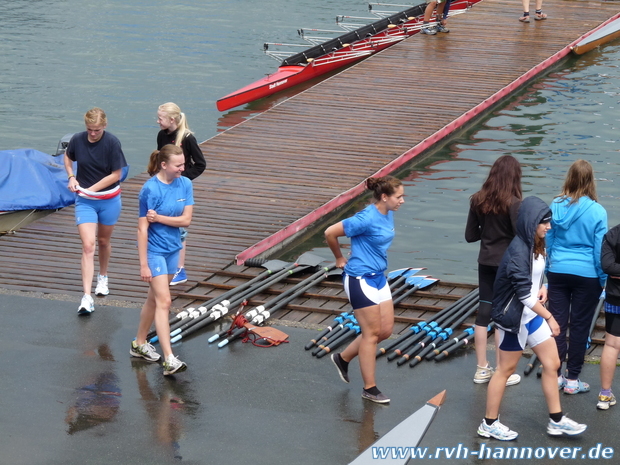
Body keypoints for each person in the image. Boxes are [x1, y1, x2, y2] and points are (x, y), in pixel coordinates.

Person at [477, 196, 587, 440]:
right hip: (513, 319)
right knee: (504, 371)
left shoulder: (536, 243)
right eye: (544, 223)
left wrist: (544, 285)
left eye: (549, 222)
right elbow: (524, 295)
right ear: (530, 222)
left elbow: (534, 279)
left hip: (530, 316)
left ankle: (556, 420)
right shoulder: (518, 250)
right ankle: (488, 424)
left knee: (552, 363)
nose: (549, 227)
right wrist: (551, 318)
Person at [325, 176, 405, 404]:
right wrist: (339, 257)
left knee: (385, 331)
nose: (402, 201)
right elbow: (330, 232)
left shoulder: (388, 213)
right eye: (399, 197)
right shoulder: (365, 218)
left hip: (379, 276)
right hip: (360, 279)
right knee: (371, 334)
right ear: (384, 197)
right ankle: (370, 388)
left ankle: (343, 358)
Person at [131, 144, 193, 376]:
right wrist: (143, 264)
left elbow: (186, 220)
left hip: (173, 249)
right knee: (164, 301)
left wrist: (160, 217)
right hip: (154, 252)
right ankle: (169, 359)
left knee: (154, 299)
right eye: (178, 165)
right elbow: (141, 229)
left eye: (183, 164)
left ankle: (139, 344)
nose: (182, 169)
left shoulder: (185, 184)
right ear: (164, 165)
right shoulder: (150, 190)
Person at [546, 159, 607, 394]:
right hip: (587, 275)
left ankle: (556, 375)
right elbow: (599, 249)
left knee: (557, 324)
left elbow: (549, 239)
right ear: (591, 180)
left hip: (558, 271)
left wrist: (552, 264)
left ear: (569, 178)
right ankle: (573, 380)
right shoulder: (597, 210)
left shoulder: (556, 204)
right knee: (580, 326)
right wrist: (602, 279)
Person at [465, 155, 522, 386]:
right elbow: (521, 234)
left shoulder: (477, 199)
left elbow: (470, 235)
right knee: (501, 315)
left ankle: (481, 368)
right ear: (514, 176)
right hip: (506, 263)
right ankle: (501, 370)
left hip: (485, 261)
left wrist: (487, 233)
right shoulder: (514, 202)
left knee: (484, 312)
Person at [64, 108, 128, 314]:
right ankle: (86, 297)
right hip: (85, 202)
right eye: (90, 130)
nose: (93, 134)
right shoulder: (77, 140)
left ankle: (103, 277)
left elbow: (117, 174)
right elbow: (68, 157)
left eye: (97, 130)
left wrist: (92, 189)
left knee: (103, 242)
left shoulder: (112, 143)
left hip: (108, 200)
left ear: (105, 126)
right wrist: (71, 177)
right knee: (88, 246)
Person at [156, 102, 206, 286]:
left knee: (180, 229)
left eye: (160, 118)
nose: (158, 121)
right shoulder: (162, 135)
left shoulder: (187, 138)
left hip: (180, 187)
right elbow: (161, 159)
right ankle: (167, 264)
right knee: (164, 222)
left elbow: (200, 164)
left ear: (172, 119)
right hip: (164, 185)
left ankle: (180, 269)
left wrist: (184, 178)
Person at [597, 224, 620, 410]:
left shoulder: (612, 234)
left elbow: (608, 266)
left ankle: (605, 394)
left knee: (611, 345)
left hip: (615, 296)